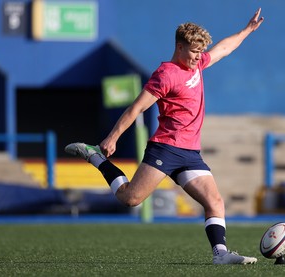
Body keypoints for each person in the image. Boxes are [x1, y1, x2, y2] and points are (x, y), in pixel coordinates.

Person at [65, 8, 264, 265]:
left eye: (200, 51)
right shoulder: (166, 74)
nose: (198, 57)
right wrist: (112, 137)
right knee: (130, 198)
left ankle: (220, 253)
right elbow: (137, 108)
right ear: (179, 47)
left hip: (191, 153)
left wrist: (246, 31)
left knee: (215, 201)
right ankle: (95, 158)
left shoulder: (198, 63)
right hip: (166, 148)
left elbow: (224, 48)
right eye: (193, 51)